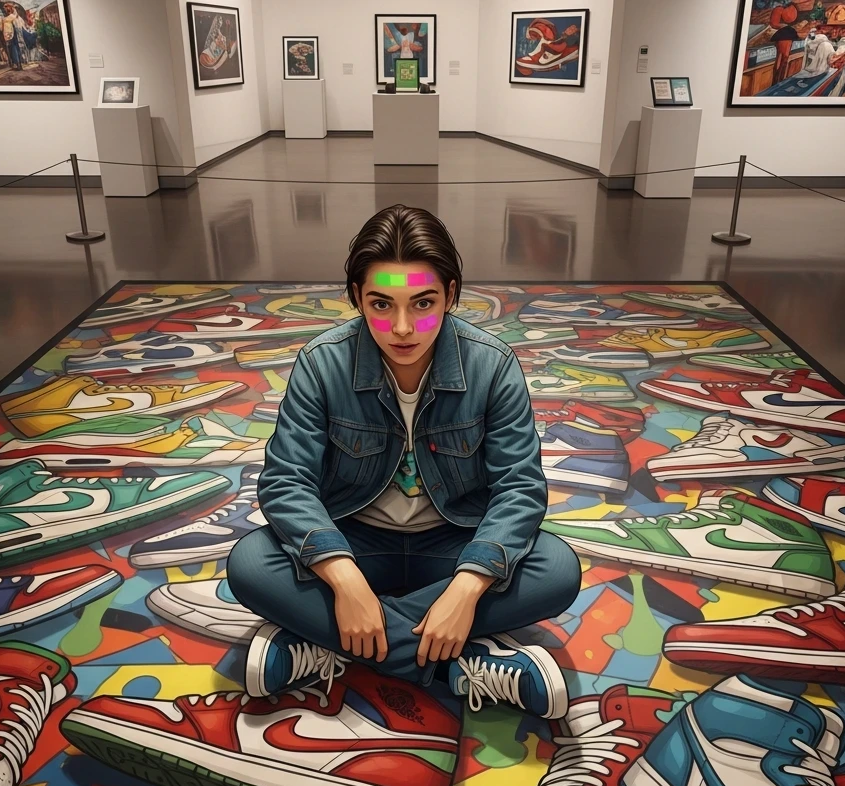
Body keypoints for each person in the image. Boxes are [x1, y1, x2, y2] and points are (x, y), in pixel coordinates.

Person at [227, 205, 582, 719]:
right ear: (356, 298)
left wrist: (466, 588)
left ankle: (335, 645)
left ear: (452, 295)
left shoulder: (492, 365)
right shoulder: (322, 363)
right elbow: (287, 482)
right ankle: (455, 663)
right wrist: (344, 579)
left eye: (423, 303)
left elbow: (520, 489)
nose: (402, 327)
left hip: (453, 540)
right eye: (380, 304)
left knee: (557, 570)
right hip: (355, 540)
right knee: (251, 564)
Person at [1, 4, 24, 71]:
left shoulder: (8, 18)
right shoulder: (12, 17)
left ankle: (18, 64)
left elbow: (4, 28)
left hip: (12, 35)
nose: (4, 10)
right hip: (13, 35)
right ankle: (18, 64)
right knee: (16, 49)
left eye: (5, 8)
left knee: (14, 49)